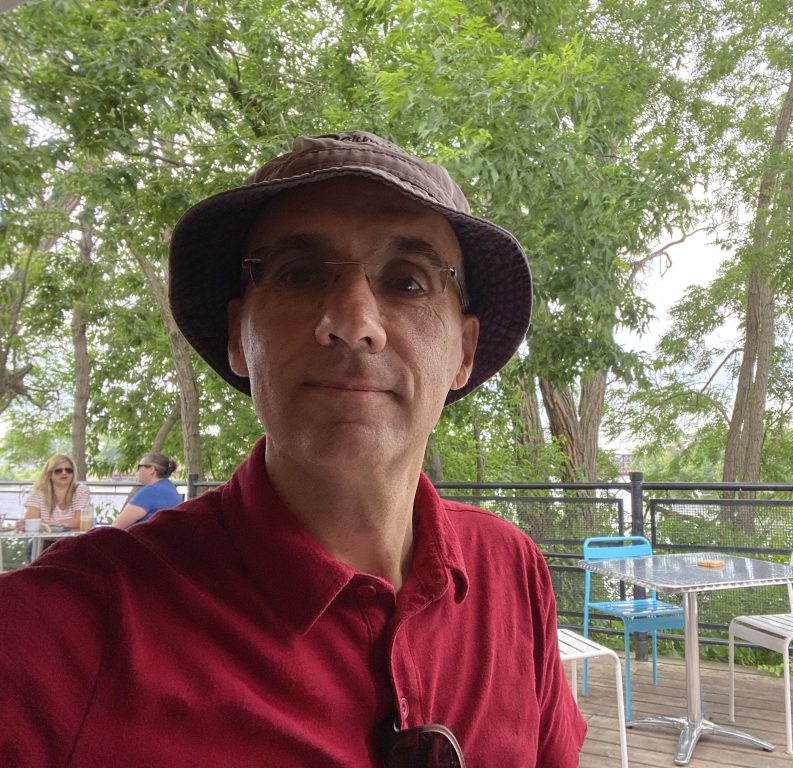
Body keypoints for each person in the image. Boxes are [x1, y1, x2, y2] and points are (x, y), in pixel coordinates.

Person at [0, 131, 586, 766]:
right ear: (238, 335)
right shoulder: (64, 630)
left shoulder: (511, 570)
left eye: (408, 283)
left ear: (463, 352)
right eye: (299, 274)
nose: (353, 323)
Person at [20, 452, 90, 531]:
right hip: (46, 538)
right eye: (58, 471)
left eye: (68, 470)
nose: (64, 473)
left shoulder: (81, 490)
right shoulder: (38, 493)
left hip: (74, 538)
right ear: (49, 474)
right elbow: (30, 522)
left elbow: (81, 521)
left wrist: (48, 524)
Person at [111, 452, 182, 528]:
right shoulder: (169, 487)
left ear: (151, 469)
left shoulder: (151, 491)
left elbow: (117, 526)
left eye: (139, 467)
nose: (136, 471)